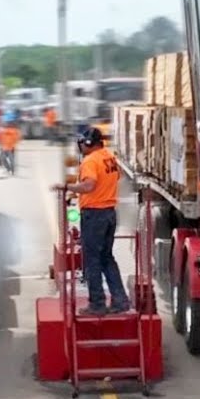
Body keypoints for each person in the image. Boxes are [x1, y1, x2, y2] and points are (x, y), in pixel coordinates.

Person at [54, 127, 130, 315]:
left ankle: (97, 303)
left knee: (92, 260)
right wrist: (80, 191)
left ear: (88, 143)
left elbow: (90, 185)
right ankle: (120, 300)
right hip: (109, 213)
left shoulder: (90, 161)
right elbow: (111, 179)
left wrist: (66, 187)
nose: (79, 146)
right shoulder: (108, 157)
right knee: (107, 257)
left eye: (81, 142)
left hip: (94, 215)